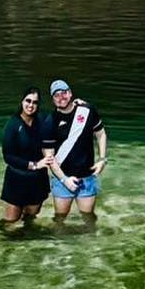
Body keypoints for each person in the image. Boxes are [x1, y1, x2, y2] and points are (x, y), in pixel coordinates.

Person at [41, 78, 107, 222]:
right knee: (60, 219)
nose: (61, 97)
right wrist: (65, 180)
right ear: (53, 100)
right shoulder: (49, 123)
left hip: (87, 176)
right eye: (56, 95)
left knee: (89, 218)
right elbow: (49, 157)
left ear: (70, 93)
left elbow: (101, 133)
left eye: (64, 93)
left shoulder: (87, 110)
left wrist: (102, 159)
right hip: (61, 179)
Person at [0, 87, 48, 230]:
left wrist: (75, 104)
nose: (31, 105)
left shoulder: (42, 120)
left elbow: (62, 116)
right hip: (17, 179)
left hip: (38, 180)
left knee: (30, 219)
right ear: (22, 101)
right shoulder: (13, 125)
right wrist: (34, 165)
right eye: (28, 101)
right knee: (10, 221)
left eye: (35, 102)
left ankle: (28, 241)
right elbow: (8, 156)